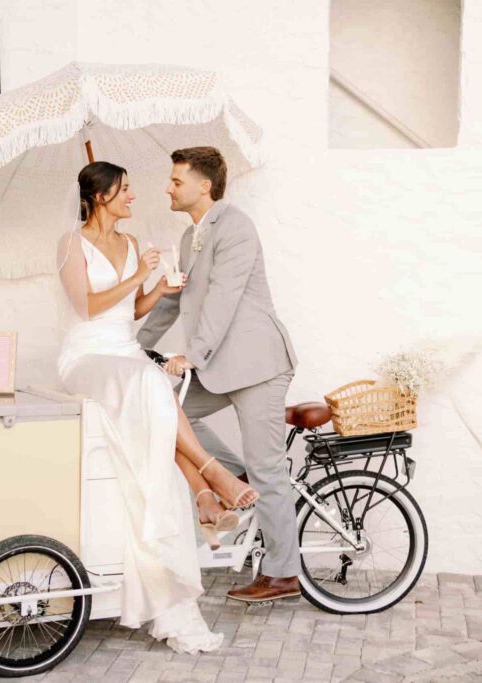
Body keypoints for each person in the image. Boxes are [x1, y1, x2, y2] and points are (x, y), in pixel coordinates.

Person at [55, 161, 259, 653]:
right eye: (125, 189)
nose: (133, 196)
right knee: (151, 380)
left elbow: (131, 312)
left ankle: (204, 492)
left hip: (125, 353)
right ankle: (211, 475)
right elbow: (87, 306)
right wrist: (140, 276)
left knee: (154, 385)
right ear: (100, 196)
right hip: (86, 357)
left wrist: (158, 291)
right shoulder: (71, 244)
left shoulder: (130, 243)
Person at [137, 146, 302, 604]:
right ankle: (235, 481)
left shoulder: (235, 227)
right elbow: (174, 299)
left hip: (257, 366)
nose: (168, 188)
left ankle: (283, 574)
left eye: (176, 181)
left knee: (268, 469)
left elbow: (224, 297)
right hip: (219, 369)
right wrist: (133, 346)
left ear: (204, 185)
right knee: (167, 416)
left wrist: (192, 354)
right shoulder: (191, 236)